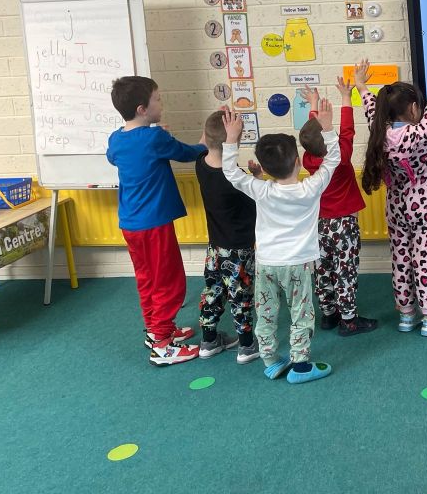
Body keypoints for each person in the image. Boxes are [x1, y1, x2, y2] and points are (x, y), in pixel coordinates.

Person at [221, 103, 338, 384]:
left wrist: (231, 139)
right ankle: (300, 366)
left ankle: (271, 361)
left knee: (266, 313)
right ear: (298, 161)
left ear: (264, 167)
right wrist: (327, 127)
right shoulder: (310, 188)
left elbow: (231, 173)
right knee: (301, 313)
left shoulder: (261, 189)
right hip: (298, 265)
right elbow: (333, 159)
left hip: (267, 264)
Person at [359, 43, 427, 337]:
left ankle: (406, 314)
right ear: (414, 108)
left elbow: (371, 108)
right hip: (426, 208)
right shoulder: (421, 133)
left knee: (401, 257)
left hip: (396, 208)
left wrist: (361, 85)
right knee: (425, 258)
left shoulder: (379, 131)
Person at [106, 76, 207, 366]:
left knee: (147, 278)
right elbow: (185, 153)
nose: (161, 104)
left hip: (130, 224)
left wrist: (153, 137)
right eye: (158, 99)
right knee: (169, 280)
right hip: (154, 224)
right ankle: (163, 344)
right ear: (142, 109)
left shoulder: (116, 139)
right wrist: (202, 144)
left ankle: (155, 329)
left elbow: (114, 157)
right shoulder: (154, 138)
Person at [299, 81, 377, 337]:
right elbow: (348, 131)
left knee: (323, 270)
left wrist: (314, 105)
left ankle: (329, 314)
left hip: (318, 225)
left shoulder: (309, 159)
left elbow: (311, 136)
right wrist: (346, 97)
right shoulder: (340, 158)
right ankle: (349, 320)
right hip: (343, 225)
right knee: (345, 271)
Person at [195, 109, 260, 363]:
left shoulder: (200, 164)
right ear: (234, 142)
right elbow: (256, 202)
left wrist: (218, 130)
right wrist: (257, 177)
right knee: (240, 296)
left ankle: (209, 340)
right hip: (239, 250)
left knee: (212, 291)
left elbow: (204, 142)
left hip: (215, 249)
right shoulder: (235, 178)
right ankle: (246, 345)